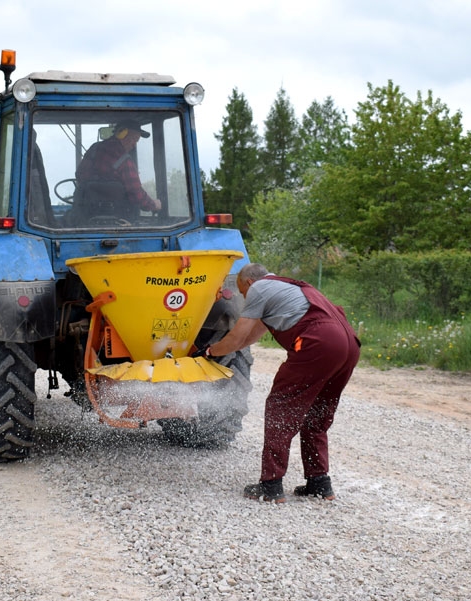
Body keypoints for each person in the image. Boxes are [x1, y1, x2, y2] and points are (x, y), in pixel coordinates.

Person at [193, 263, 360, 503]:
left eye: (242, 293)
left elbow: (237, 337)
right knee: (318, 413)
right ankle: (319, 482)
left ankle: (271, 485)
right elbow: (249, 337)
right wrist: (224, 349)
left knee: (280, 409)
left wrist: (208, 351)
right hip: (348, 344)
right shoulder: (287, 288)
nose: (244, 298)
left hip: (318, 342)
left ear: (249, 282)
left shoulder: (259, 289)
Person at [75, 120, 162, 214]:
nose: (134, 145)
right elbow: (136, 194)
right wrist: (154, 204)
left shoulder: (94, 149)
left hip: (84, 215)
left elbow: (80, 174)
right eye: (133, 139)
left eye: (136, 141)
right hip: (118, 221)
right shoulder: (125, 161)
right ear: (121, 134)